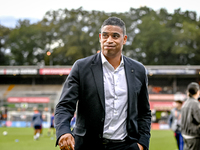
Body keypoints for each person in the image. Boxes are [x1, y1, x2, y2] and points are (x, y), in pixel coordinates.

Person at [55, 16, 151, 150]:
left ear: (124, 39)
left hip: (126, 146)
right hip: (87, 145)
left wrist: (142, 144)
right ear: (100, 37)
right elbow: (64, 106)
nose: (109, 40)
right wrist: (64, 132)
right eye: (105, 36)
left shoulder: (139, 70)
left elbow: (144, 112)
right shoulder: (82, 67)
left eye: (115, 36)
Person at [181, 82, 200, 150]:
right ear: (198, 91)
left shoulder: (185, 103)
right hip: (194, 137)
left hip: (185, 136)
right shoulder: (195, 104)